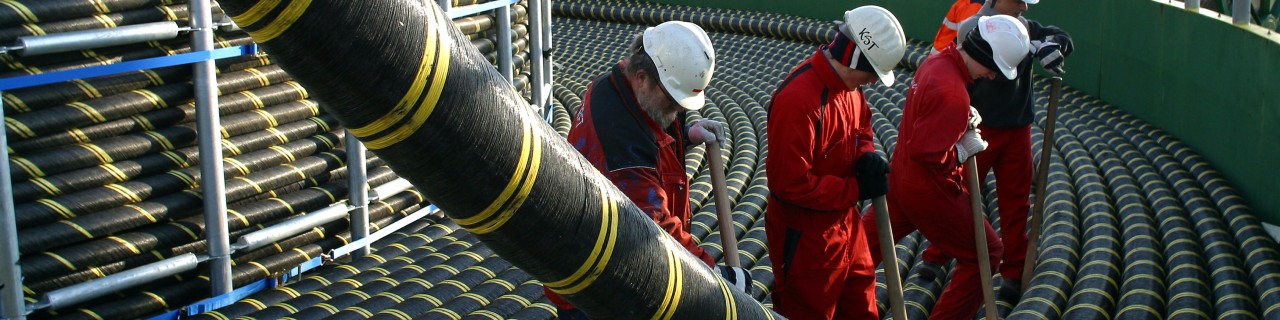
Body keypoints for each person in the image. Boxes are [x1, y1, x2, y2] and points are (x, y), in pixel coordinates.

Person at [544, 21, 750, 319]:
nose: (678, 111)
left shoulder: (619, 86)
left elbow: (654, 124)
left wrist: (687, 133)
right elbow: (656, 234)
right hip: (598, 283)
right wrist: (717, 279)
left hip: (610, 257)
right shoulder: (622, 149)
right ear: (642, 78)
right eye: (673, 101)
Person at [861, 15, 1030, 320]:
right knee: (987, 252)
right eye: (993, 68)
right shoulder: (953, 93)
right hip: (928, 190)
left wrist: (961, 116)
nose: (992, 76)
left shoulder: (936, 64)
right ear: (984, 55)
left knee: (858, 251)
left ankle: (817, 298)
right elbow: (929, 155)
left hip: (900, 179)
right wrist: (961, 150)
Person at [914, 0, 1075, 300]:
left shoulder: (1026, 28)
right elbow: (985, 71)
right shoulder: (972, 29)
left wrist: (1052, 45)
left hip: (1017, 131)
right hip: (978, 128)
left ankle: (1013, 272)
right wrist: (1030, 47)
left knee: (1016, 203)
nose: (1024, 9)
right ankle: (937, 255)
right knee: (958, 194)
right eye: (1019, 2)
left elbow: (1061, 36)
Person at [764, 6, 906, 320]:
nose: (871, 82)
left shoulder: (850, 91)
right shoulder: (798, 100)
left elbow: (862, 127)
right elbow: (789, 185)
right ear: (855, 60)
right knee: (809, 311)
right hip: (806, 241)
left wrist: (865, 154)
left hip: (846, 228)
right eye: (872, 74)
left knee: (861, 306)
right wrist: (855, 188)